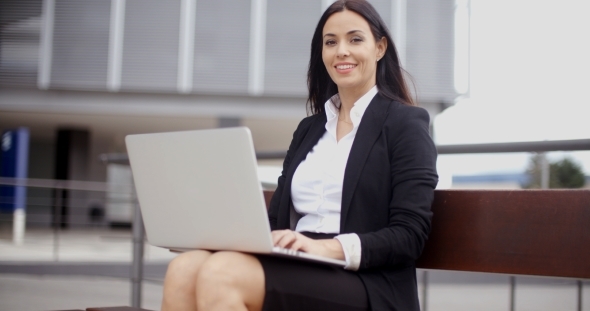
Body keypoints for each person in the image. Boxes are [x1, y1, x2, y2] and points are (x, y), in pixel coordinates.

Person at [161, 0, 438, 310]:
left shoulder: (405, 124)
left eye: (355, 39)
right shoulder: (310, 129)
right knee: (183, 269)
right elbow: (276, 219)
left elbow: (409, 234)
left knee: (222, 274)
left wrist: (327, 248)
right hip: (299, 264)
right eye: (330, 42)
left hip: (367, 280)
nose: (341, 51)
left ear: (380, 48)